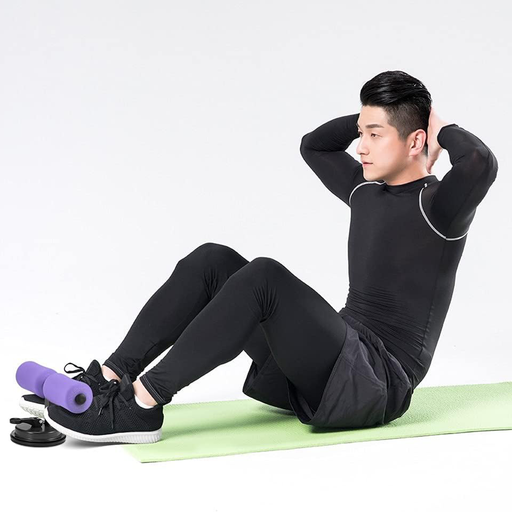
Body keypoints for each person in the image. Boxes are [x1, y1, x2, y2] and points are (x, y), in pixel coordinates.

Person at [43, 70, 498, 444]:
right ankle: (110, 378)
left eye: (374, 135)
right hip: (319, 370)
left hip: (375, 383)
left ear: (415, 142)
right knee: (213, 260)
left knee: (265, 277)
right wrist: (375, 117)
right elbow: (313, 144)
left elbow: (480, 161)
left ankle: (141, 404)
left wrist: (437, 126)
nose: (361, 146)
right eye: (362, 133)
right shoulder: (365, 190)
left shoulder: (440, 206)